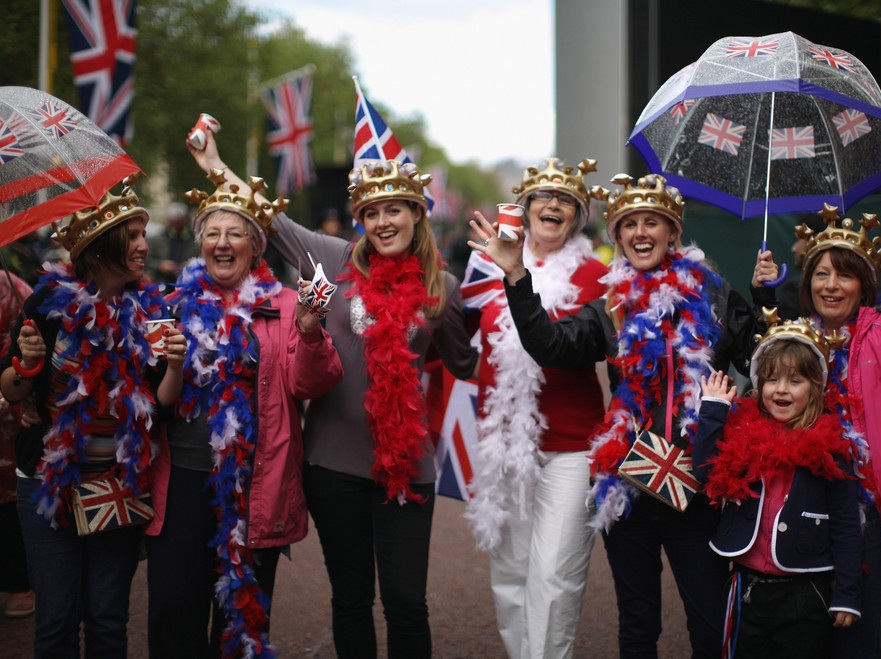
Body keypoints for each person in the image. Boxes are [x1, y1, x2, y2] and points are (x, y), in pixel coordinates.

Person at [188, 129, 479, 658]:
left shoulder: (443, 288)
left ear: (417, 213)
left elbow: (464, 361)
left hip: (407, 468)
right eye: (372, 212)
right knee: (350, 599)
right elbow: (269, 219)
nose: (383, 222)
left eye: (394, 210)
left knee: (407, 602)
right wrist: (214, 165)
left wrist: (507, 283)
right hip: (333, 467)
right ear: (360, 220)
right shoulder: (333, 259)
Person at [471, 173, 757, 658]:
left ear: (673, 232)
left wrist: (766, 301)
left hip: (699, 484)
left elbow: (762, 365)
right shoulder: (610, 306)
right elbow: (552, 345)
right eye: (629, 224)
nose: (641, 233)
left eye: (653, 222)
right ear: (618, 236)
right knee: (638, 625)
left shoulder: (715, 296)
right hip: (630, 486)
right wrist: (517, 276)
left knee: (710, 624)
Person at [145, 169, 343, 658]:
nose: (223, 242)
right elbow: (149, 395)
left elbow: (311, 382)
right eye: (212, 233)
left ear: (256, 247)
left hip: (257, 484)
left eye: (235, 233)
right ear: (200, 244)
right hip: (183, 483)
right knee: (174, 610)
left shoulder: (288, 306)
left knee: (242, 621)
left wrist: (312, 332)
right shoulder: (172, 305)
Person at [752, 204, 881, 658]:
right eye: (821, 273)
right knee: (799, 636)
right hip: (800, 505)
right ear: (806, 283)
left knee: (853, 641)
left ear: (864, 285)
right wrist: (758, 297)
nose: (831, 285)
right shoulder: (792, 341)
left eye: (844, 275)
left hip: (866, 517)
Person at [0, 176, 187, 658]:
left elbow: (159, 405)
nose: (145, 245)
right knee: (57, 620)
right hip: (48, 481)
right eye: (134, 236)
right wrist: (26, 364)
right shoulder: (47, 304)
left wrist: (175, 365)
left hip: (117, 482)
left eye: (144, 235)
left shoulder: (150, 309)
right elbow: (11, 390)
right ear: (104, 245)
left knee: (107, 620)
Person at [461, 157, 608, 659]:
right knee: (510, 577)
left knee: (554, 577)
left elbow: (562, 345)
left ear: (578, 215)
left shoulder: (597, 277)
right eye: (542, 197)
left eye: (566, 199)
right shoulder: (485, 265)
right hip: (506, 444)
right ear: (523, 210)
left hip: (571, 448)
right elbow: (458, 340)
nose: (553, 205)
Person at [692, 315, 861, 659]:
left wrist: (847, 593)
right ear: (758, 385)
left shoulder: (833, 448)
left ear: (815, 387)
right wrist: (713, 411)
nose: (781, 389)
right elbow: (706, 473)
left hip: (808, 589)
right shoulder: (742, 434)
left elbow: (845, 524)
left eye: (795, 380)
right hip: (746, 586)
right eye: (771, 380)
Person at [0, 271, 35, 619]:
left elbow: (20, 349)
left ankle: (18, 582)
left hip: (7, 417)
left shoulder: (13, 290)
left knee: (7, 502)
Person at [146, 201, 198, 285]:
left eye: (179, 222)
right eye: (174, 222)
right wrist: (160, 265)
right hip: (162, 284)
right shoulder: (157, 239)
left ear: (185, 221)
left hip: (187, 283)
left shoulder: (194, 240)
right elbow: (147, 260)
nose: (176, 226)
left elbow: (201, 259)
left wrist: (189, 265)